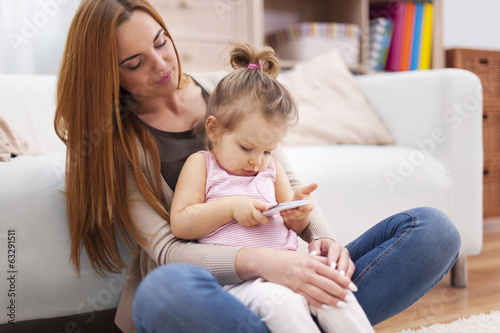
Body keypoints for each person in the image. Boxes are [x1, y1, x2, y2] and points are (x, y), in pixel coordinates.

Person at [54, 0, 461, 332]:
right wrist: (264, 263)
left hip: (284, 272)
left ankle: (304, 315)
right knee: (164, 292)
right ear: (108, 75)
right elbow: (166, 249)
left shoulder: (230, 93)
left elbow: (288, 184)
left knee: (434, 230)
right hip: (215, 288)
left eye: (161, 42)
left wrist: (322, 240)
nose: (162, 65)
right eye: (135, 63)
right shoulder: (115, 143)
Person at [169, 42, 374, 333]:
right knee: (283, 304)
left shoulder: (271, 169)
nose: (257, 161)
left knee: (335, 291)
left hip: (293, 268)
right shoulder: (201, 165)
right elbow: (181, 223)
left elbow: (292, 224)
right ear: (214, 130)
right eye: (247, 147)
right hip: (239, 283)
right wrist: (230, 208)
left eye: (268, 151)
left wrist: (299, 210)